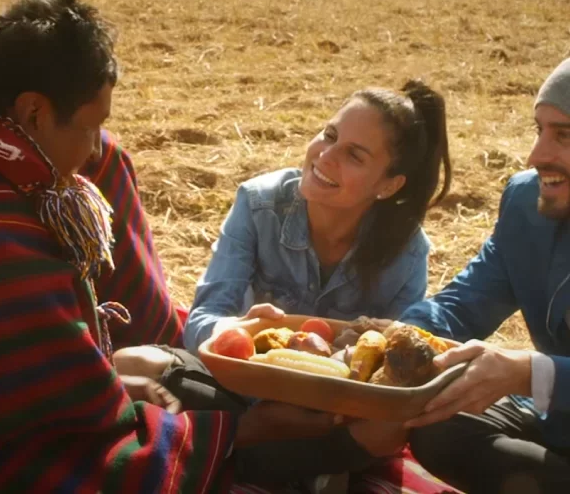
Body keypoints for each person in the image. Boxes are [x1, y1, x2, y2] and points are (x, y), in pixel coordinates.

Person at [0, 0, 341, 493]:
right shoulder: (2, 246)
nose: (97, 146)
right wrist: (245, 431)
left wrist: (106, 384)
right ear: (34, 113)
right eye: (92, 124)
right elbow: (62, 443)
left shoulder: (0, 171)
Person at [141, 78, 450, 489]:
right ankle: (298, 464)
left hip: (337, 415)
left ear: (388, 185)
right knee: (136, 363)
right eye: (329, 135)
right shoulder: (257, 203)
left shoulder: (407, 253)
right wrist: (234, 330)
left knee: (387, 431)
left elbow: (395, 377)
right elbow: (204, 318)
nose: (325, 155)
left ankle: (242, 458)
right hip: (244, 388)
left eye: (353, 155)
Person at [397, 58, 570, 493]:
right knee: (436, 420)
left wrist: (530, 372)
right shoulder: (525, 203)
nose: (537, 156)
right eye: (539, 130)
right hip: (556, 425)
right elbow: (465, 301)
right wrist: (400, 335)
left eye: (564, 136)